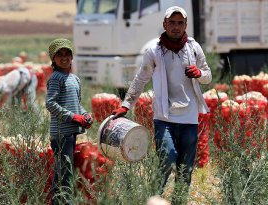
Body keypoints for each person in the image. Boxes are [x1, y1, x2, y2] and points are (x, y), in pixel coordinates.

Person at [112, 6, 212, 195]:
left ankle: (179, 199)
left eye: (180, 23)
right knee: (167, 159)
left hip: (189, 118)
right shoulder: (154, 51)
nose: (176, 27)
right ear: (164, 24)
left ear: (186, 25)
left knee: (186, 168)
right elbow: (140, 79)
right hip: (164, 117)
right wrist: (126, 105)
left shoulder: (194, 47)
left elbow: (208, 76)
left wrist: (199, 74)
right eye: (172, 23)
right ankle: (154, 196)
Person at [46, 38, 93, 205]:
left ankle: (58, 202)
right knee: (64, 171)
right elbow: (50, 103)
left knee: (64, 171)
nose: (64, 57)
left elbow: (76, 104)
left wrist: (85, 115)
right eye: (60, 54)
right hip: (61, 133)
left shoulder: (75, 79)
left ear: (72, 57)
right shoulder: (55, 78)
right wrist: (73, 117)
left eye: (67, 54)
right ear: (53, 58)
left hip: (71, 133)